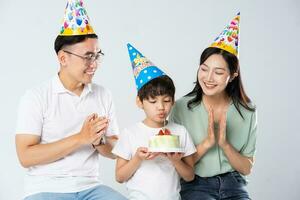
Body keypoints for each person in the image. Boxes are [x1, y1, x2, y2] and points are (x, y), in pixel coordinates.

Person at [15, 0, 127, 199]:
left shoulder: (103, 95)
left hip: (90, 188)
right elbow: (25, 156)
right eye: (87, 56)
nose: (94, 64)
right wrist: (80, 138)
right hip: (45, 188)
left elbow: (115, 151)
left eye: (97, 55)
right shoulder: (36, 97)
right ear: (63, 58)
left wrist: (98, 141)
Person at [169, 13, 257, 200]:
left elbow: (246, 168)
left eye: (218, 72)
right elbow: (181, 165)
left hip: (234, 184)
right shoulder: (180, 108)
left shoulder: (247, 111)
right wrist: (207, 142)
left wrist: (224, 144)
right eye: (204, 69)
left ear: (232, 76)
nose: (208, 78)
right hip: (195, 184)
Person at [112, 44, 196, 200]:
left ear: (173, 102)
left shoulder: (180, 131)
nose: (161, 107)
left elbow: (190, 176)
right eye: (152, 101)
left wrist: (175, 160)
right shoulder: (130, 133)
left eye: (166, 100)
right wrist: (137, 158)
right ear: (140, 102)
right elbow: (119, 177)